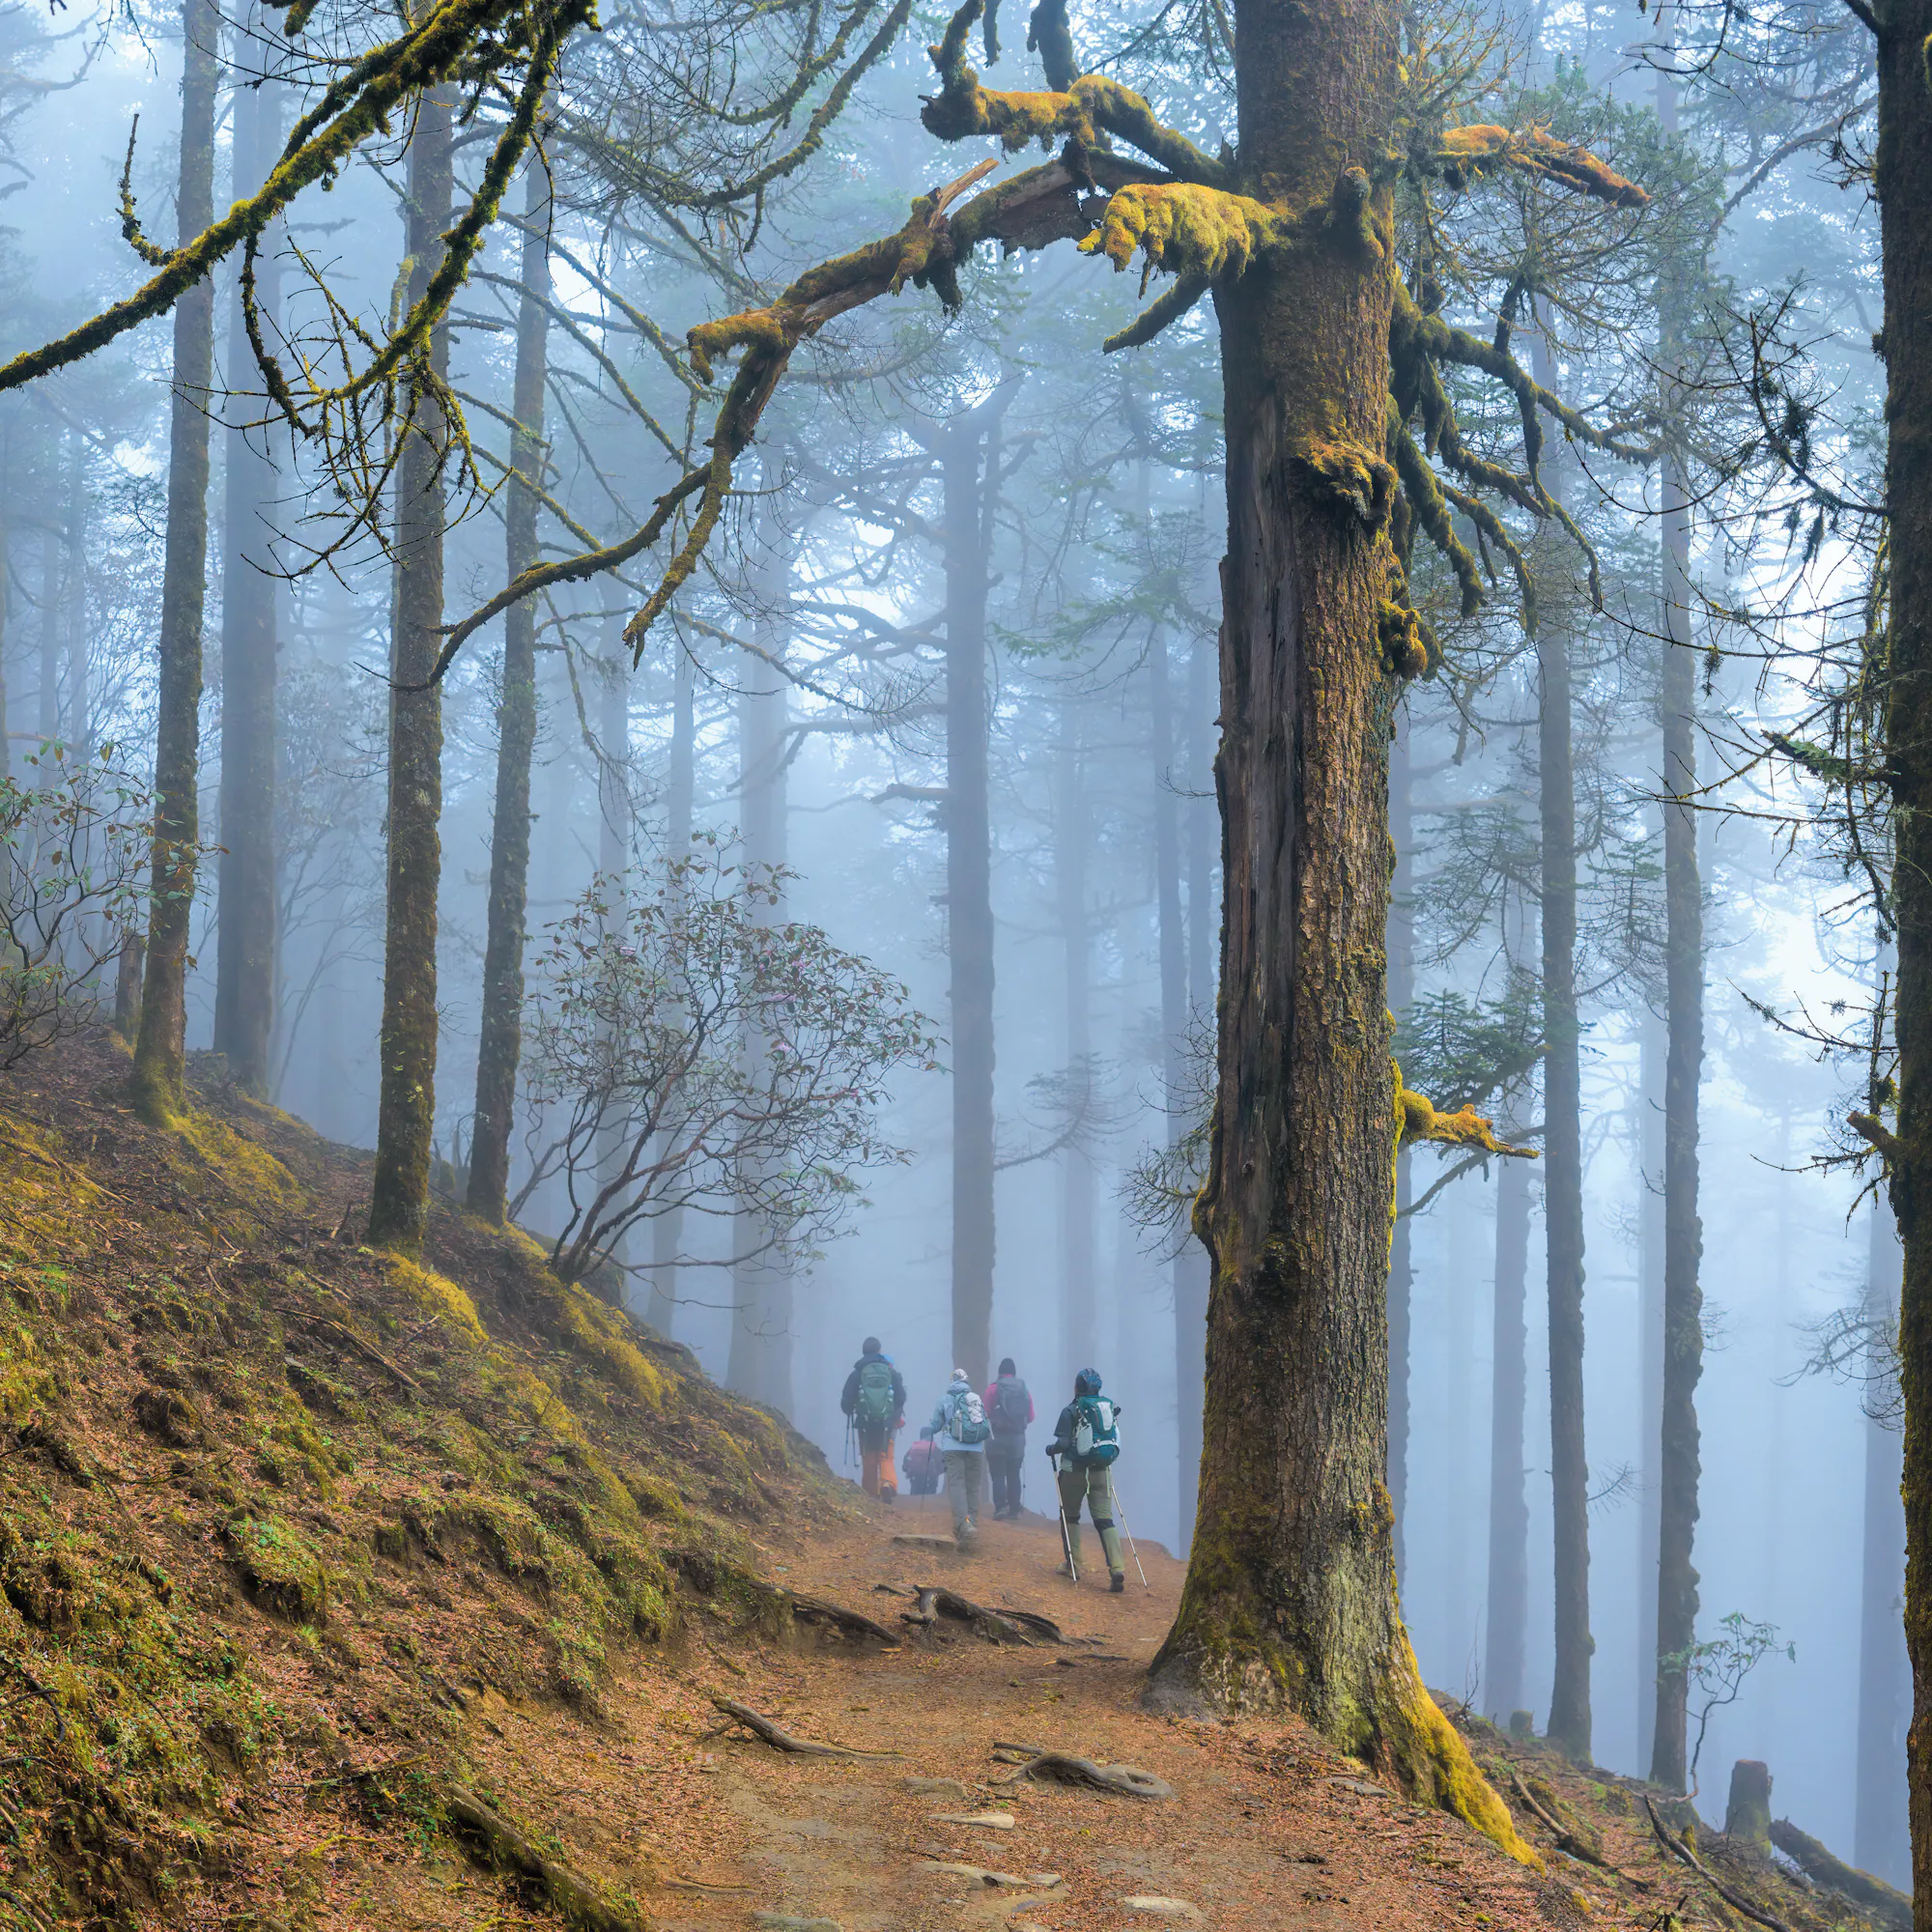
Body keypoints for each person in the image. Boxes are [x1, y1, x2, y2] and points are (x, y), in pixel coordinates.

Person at [1046, 1367, 1125, 1592]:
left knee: (1070, 1516)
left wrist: (1050, 1449)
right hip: (1101, 1469)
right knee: (1105, 1519)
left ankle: (1074, 1565)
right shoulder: (1107, 1409)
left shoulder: (1071, 1411)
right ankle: (1117, 1567)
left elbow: (1062, 1444)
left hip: (1074, 1471)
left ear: (1077, 1387)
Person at [925, 1367, 990, 1547]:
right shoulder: (975, 1399)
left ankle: (963, 1526)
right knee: (973, 1487)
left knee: (956, 1484)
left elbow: (936, 1425)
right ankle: (973, 1525)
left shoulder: (944, 1399)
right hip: (976, 1447)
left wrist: (928, 1429)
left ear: (952, 1381)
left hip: (952, 1447)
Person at [840, 1337, 906, 1501]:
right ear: (879, 1351)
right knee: (884, 1454)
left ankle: (870, 1496)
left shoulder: (858, 1373)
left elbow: (847, 1398)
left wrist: (850, 1410)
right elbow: (901, 1396)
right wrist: (893, 1415)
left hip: (865, 1421)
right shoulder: (890, 1372)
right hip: (886, 1420)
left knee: (868, 1456)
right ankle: (885, 1484)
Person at [983, 1356, 1033, 1520]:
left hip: (997, 1437)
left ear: (999, 1373)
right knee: (1014, 1474)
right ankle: (1014, 1509)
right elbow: (1030, 1416)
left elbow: (984, 1413)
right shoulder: (1023, 1388)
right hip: (1017, 1439)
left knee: (997, 1475)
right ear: (1014, 1372)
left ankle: (1000, 1508)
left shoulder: (992, 1389)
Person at [903, 1427, 942, 1496]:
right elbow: (942, 1466)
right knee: (929, 1502)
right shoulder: (935, 1449)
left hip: (915, 1480)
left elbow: (904, 1466)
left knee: (914, 1501)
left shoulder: (913, 1448)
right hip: (930, 1481)